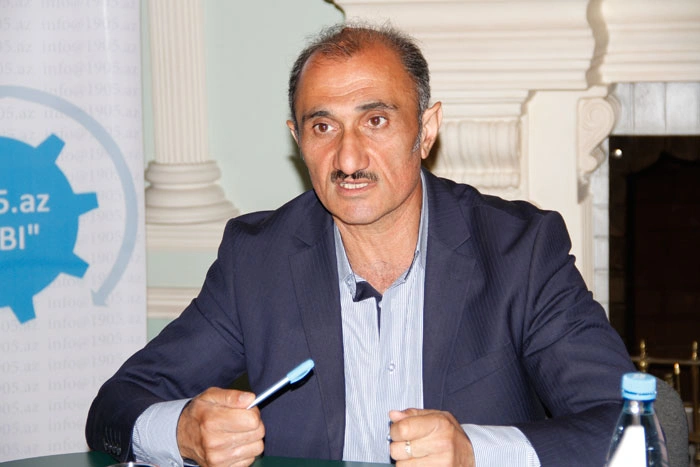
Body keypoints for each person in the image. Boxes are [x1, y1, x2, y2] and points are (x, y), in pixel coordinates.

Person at [86, 22, 636, 467]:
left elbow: (632, 429)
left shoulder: (519, 252)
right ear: (297, 138)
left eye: (375, 120)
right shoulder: (257, 260)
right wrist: (183, 430)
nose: (348, 160)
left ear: (426, 129)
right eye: (323, 128)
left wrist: (476, 452)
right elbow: (116, 404)